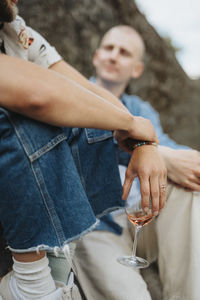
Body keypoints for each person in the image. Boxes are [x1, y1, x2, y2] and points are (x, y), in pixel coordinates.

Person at [0, 3, 167, 300]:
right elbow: (37, 96)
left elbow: (87, 93)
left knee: (93, 117)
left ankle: (59, 263)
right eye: (110, 48)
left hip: (121, 217)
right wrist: (132, 125)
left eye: (124, 52)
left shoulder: (17, 32)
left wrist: (143, 140)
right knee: (41, 115)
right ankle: (31, 285)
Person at [73, 25, 200, 300]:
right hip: (97, 225)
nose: (113, 56)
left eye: (124, 52)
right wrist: (152, 150)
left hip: (143, 217)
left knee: (190, 189)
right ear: (96, 56)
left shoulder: (141, 109)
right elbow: (78, 152)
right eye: (108, 48)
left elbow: (166, 145)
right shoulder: (73, 96)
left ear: (137, 69)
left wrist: (180, 158)